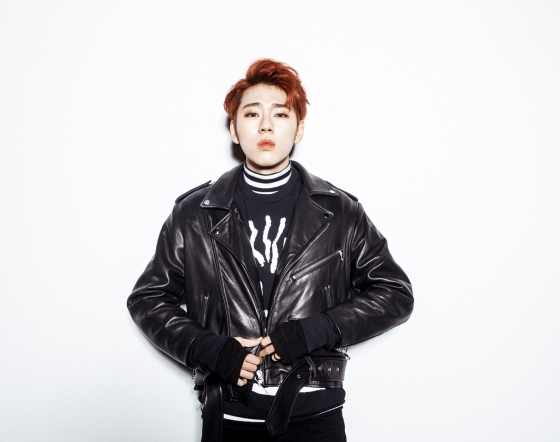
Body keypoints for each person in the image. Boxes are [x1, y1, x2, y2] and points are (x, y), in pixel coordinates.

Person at [127, 59, 414, 442]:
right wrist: (208, 348)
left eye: (280, 114)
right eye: (252, 114)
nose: (266, 126)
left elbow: (395, 293)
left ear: (299, 128)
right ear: (234, 129)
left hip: (316, 415)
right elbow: (147, 299)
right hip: (229, 415)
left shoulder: (340, 212)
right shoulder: (195, 214)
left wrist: (316, 330)